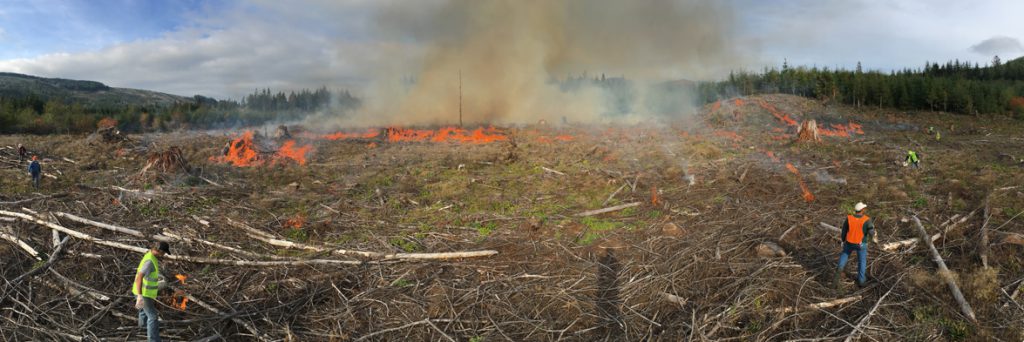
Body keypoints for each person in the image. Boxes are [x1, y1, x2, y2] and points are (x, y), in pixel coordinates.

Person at [133, 241, 170, 342]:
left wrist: (158, 279)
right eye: (164, 253)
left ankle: (142, 331)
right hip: (144, 293)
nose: (164, 255)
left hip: (141, 291)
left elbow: (148, 275)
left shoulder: (150, 256)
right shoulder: (150, 261)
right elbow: (140, 277)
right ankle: (153, 340)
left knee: (143, 312)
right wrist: (140, 296)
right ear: (159, 251)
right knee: (153, 316)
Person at [834, 202, 875, 289]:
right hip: (861, 245)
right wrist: (871, 238)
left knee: (844, 255)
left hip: (849, 243)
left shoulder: (849, 218)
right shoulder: (867, 220)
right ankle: (861, 281)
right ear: (862, 210)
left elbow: (844, 231)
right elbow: (871, 232)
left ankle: (838, 273)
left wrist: (843, 240)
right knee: (862, 261)